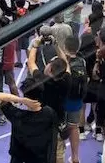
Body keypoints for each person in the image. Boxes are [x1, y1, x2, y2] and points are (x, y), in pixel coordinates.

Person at [27, 31, 71, 163]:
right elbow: (66, 64)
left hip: (42, 124)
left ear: (50, 70)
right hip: (59, 122)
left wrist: (35, 45)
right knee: (58, 154)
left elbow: (31, 63)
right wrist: (57, 45)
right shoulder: (67, 79)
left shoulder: (42, 80)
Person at [0, 77, 57, 163]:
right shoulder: (50, 113)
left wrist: (21, 100)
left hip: (19, 159)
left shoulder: (17, 115)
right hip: (41, 159)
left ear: (26, 96)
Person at [62, 35, 87, 163]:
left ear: (65, 46)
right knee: (74, 127)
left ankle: (58, 156)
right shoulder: (82, 61)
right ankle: (76, 157)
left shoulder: (61, 62)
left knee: (59, 128)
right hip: (77, 100)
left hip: (63, 100)